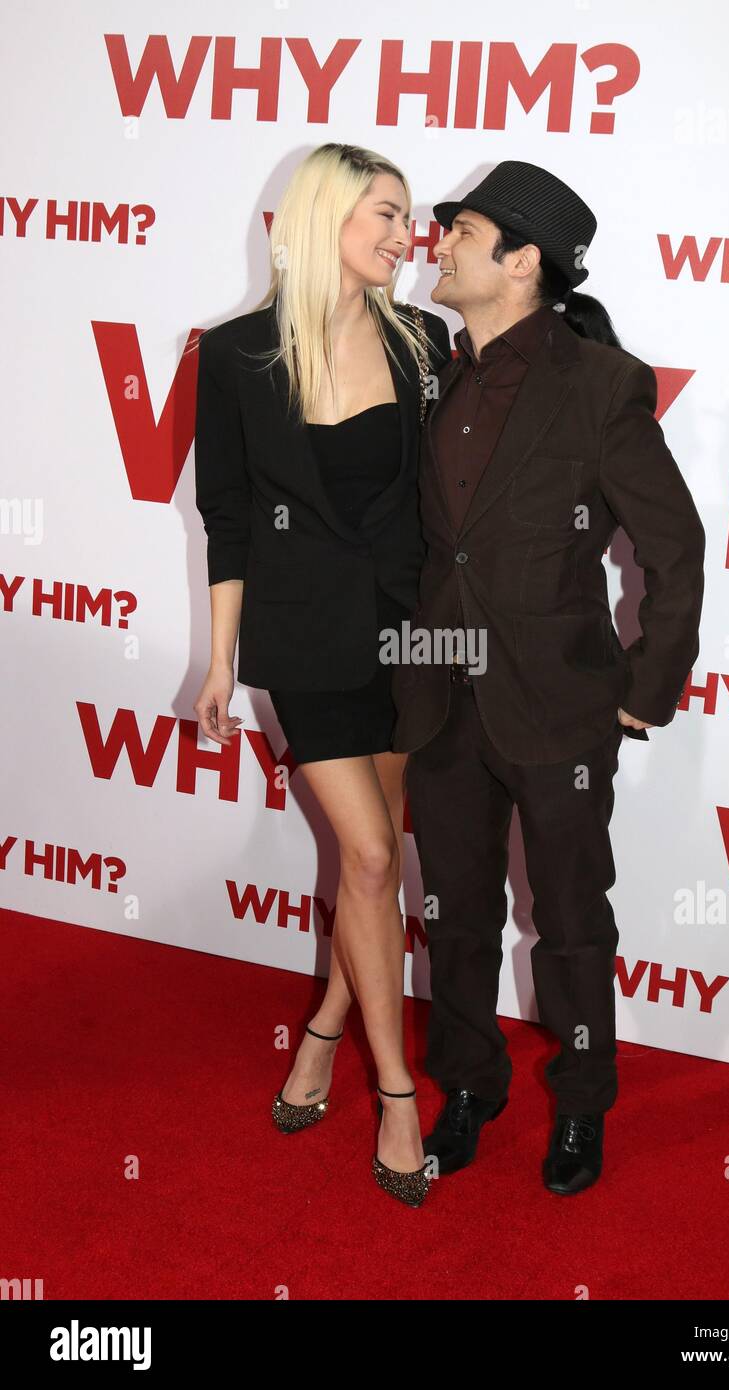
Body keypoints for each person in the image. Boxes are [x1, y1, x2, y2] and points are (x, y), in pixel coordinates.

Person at [391, 161, 706, 1194]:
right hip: (442, 691)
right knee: (457, 912)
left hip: (561, 703)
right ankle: (470, 1085)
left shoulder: (600, 385)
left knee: (570, 921)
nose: (436, 243)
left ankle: (581, 1104)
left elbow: (675, 545)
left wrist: (641, 689)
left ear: (520, 262)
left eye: (460, 229)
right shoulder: (428, 367)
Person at [192, 143, 451, 1208]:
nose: (406, 236)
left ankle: (324, 1028)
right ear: (323, 217)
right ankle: (394, 1090)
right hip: (303, 639)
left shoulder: (425, 341)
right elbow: (229, 513)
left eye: (409, 219)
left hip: (412, 633)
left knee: (375, 860)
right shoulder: (237, 353)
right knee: (370, 856)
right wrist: (220, 656)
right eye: (385, 215)